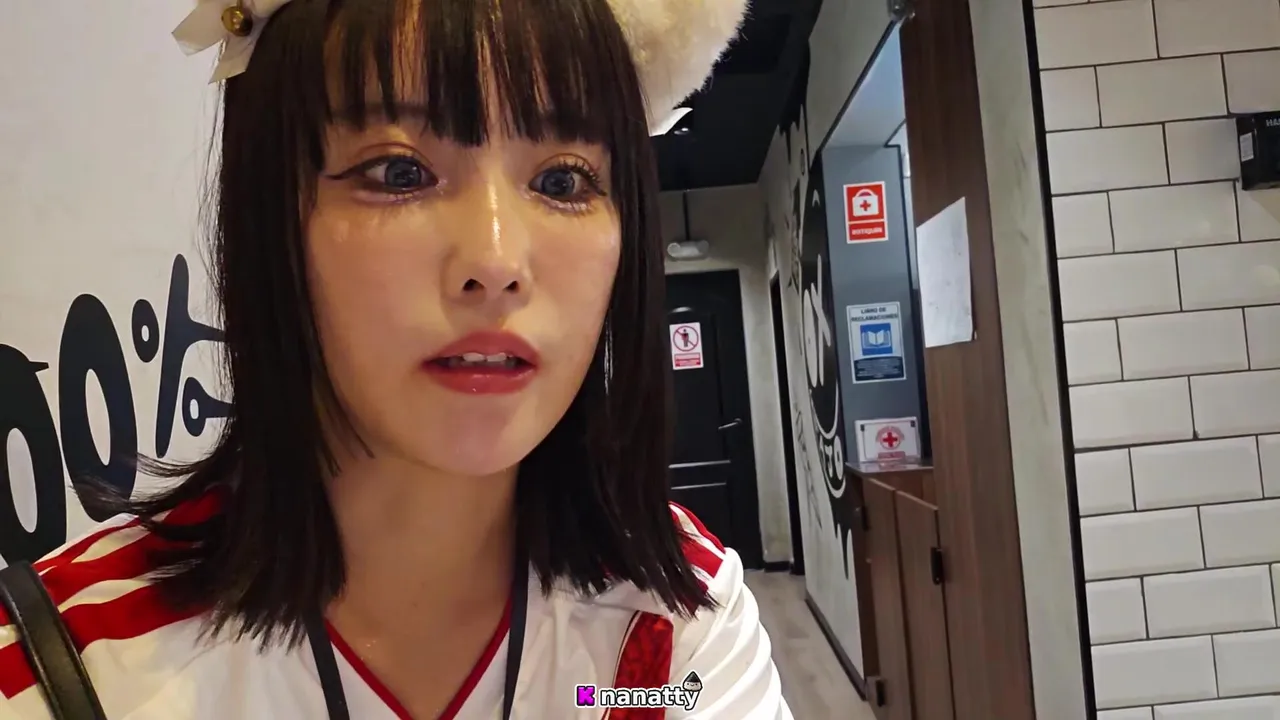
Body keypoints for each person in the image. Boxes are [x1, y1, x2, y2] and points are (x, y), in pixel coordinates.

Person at [0, 0, 793, 718]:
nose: (495, 260)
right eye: (399, 172)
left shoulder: (674, 630)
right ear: (271, 216)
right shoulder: (64, 665)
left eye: (562, 180)